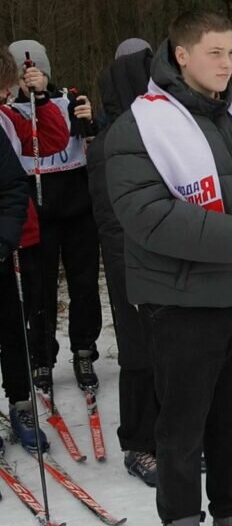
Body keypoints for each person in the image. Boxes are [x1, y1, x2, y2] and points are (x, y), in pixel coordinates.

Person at [105, 11, 232, 526]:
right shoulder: (140, 123)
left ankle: (231, 507)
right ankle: (181, 516)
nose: (227, 63)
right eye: (215, 52)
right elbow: (143, 214)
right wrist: (231, 235)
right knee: (182, 428)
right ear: (182, 54)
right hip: (183, 299)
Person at [7, 39, 102, 391]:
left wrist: (91, 121)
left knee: (84, 284)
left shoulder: (67, 99)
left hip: (78, 210)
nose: (30, 79)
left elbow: (93, 136)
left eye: (36, 71)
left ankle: (84, 348)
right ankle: (42, 357)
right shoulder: (8, 110)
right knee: (39, 290)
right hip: (36, 213)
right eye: (22, 73)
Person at [87, 40, 160, 486]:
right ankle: (139, 443)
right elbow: (112, 224)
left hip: (170, 264)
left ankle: (171, 436)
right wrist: (129, 277)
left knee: (172, 355)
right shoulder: (111, 143)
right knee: (139, 356)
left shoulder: (161, 131)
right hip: (132, 268)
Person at [0, 46, 66, 454]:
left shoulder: (7, 117)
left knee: (14, 329)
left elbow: (53, 141)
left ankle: (21, 403)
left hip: (14, 238)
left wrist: (39, 98)